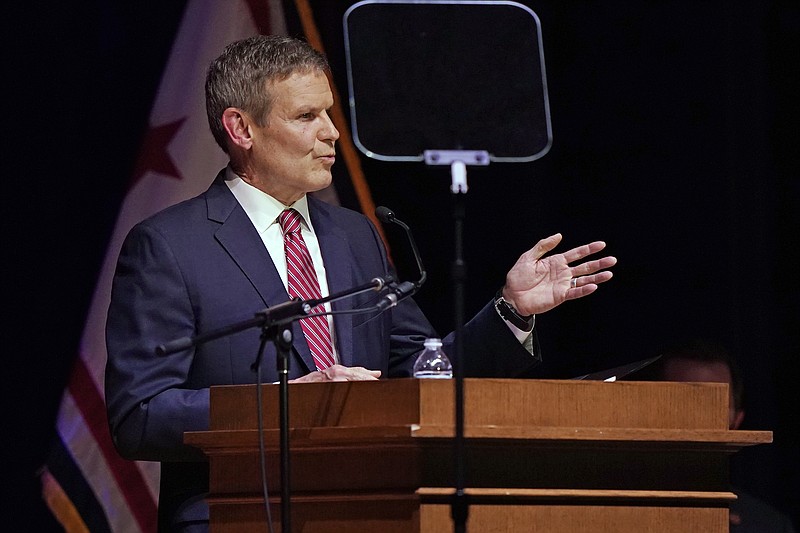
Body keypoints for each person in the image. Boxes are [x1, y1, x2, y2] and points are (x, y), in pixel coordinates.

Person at [104, 35, 616, 531]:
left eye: (328, 113)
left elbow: (423, 370)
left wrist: (511, 311)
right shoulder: (169, 245)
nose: (332, 132)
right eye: (307, 116)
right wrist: (286, 402)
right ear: (241, 128)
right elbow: (140, 415)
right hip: (236, 513)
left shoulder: (354, 234)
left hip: (374, 508)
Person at [654, 339, 796, 533]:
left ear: (736, 422)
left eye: (713, 404)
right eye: (680, 401)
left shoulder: (769, 526)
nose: (696, 420)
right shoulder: (611, 512)